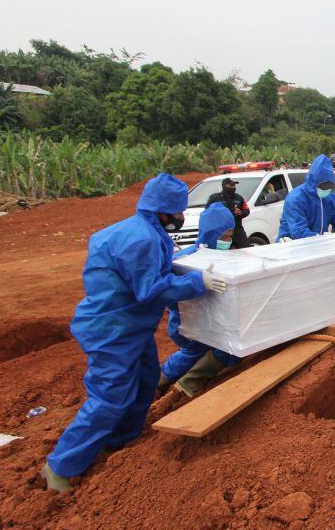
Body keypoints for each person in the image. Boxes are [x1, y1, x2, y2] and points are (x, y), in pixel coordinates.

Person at [41, 173, 226, 492]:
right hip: (112, 331)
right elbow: (150, 289)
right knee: (110, 397)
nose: (182, 217)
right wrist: (198, 284)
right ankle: (59, 466)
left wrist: (192, 260)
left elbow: (159, 267)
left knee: (143, 384)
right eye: (179, 212)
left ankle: (119, 441)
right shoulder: (142, 239)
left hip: (133, 329)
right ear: (164, 210)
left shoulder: (146, 233)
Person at [160, 202, 241, 398]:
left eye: (230, 236)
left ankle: (164, 381)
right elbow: (168, 293)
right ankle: (181, 387)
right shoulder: (186, 260)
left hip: (211, 321)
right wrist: (198, 283)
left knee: (195, 354)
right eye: (224, 236)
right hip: (188, 324)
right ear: (211, 233)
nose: (228, 241)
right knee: (216, 351)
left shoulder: (225, 257)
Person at [277, 155, 335, 240]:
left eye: (329, 185)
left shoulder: (330, 198)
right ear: (313, 182)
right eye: (323, 185)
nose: (326, 189)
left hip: (317, 246)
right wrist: (320, 238)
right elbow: (298, 231)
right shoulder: (295, 199)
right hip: (290, 246)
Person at [206, 177, 251, 248]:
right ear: (224, 186)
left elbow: (247, 211)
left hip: (237, 229)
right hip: (221, 231)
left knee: (246, 249)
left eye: (234, 185)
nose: (233, 187)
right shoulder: (214, 198)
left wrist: (240, 213)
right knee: (222, 252)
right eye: (231, 185)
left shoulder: (239, 198)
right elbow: (207, 213)